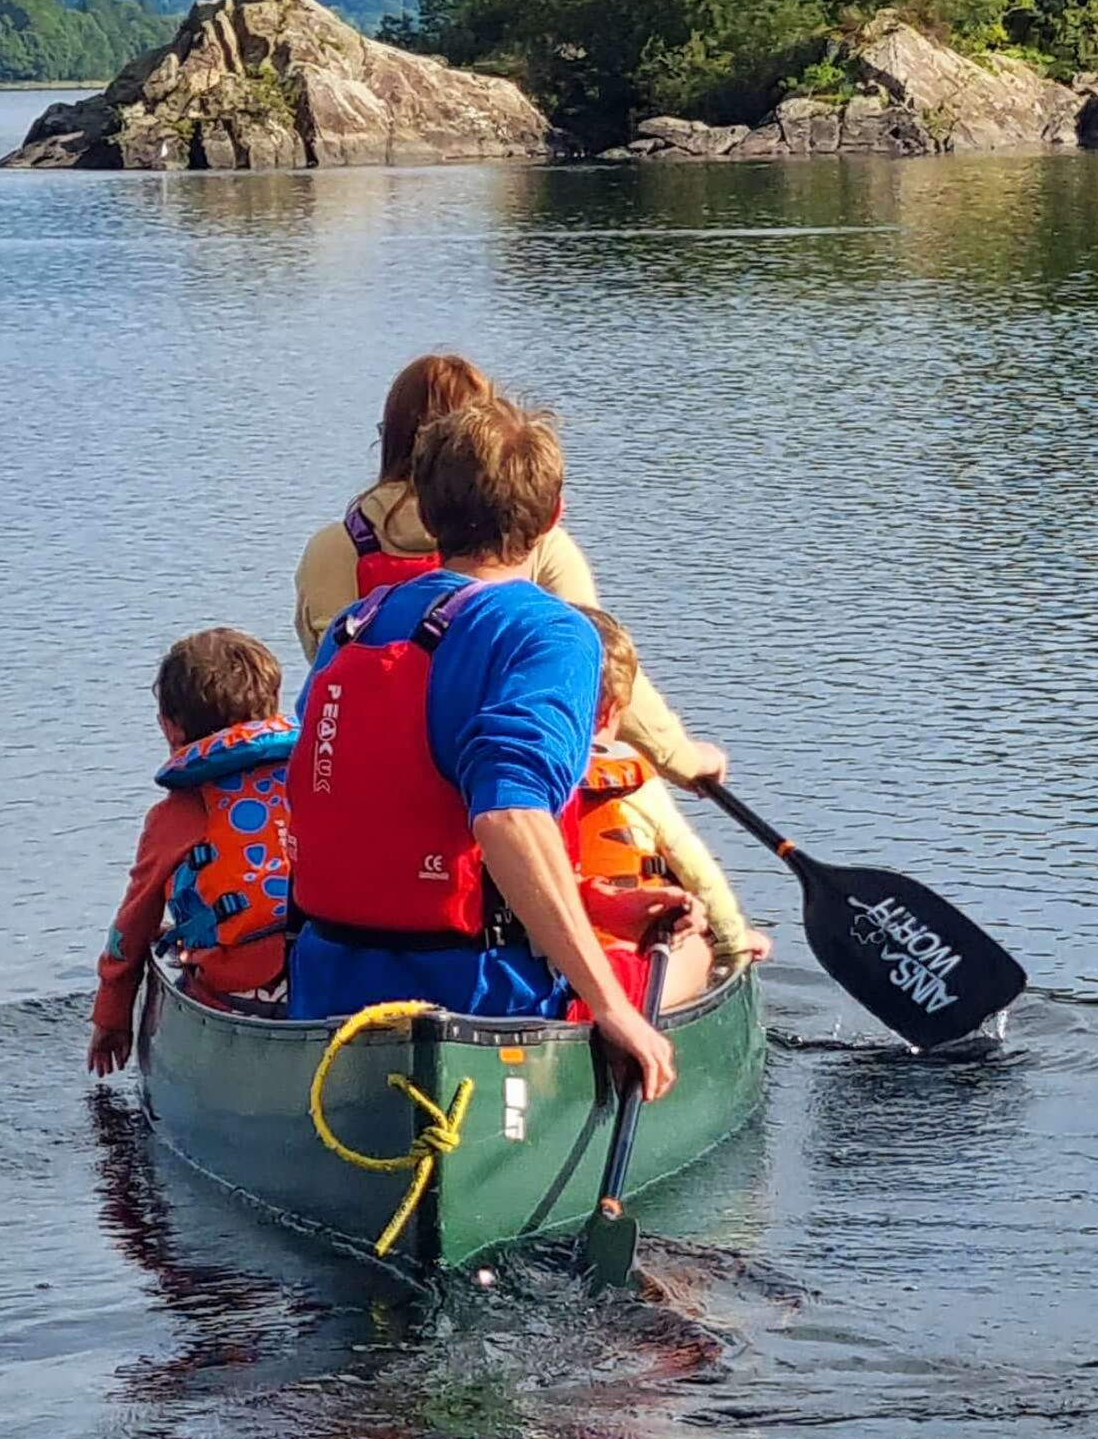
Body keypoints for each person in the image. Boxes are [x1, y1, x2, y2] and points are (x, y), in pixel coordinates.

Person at [287, 394, 678, 1099]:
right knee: (691, 946)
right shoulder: (552, 634)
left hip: (328, 989)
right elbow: (508, 820)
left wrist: (593, 904)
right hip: (484, 1001)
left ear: (430, 515)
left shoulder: (355, 624)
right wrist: (617, 1012)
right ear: (552, 517)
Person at [293, 348, 728, 794]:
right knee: (642, 795)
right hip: (502, 784)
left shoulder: (336, 547)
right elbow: (602, 672)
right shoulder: (539, 541)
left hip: (375, 783)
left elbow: (326, 674)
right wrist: (681, 758)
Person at [88, 627, 295, 1077]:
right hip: (342, 976)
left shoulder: (178, 812)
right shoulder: (323, 778)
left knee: (177, 946)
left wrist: (111, 1015)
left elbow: (134, 924)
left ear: (171, 727)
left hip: (244, 994)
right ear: (274, 709)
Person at [576, 613, 771, 984]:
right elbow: (698, 873)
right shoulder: (635, 784)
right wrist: (734, 943)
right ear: (616, 709)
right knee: (698, 935)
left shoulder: (508, 773)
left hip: (538, 956)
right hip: (625, 957)